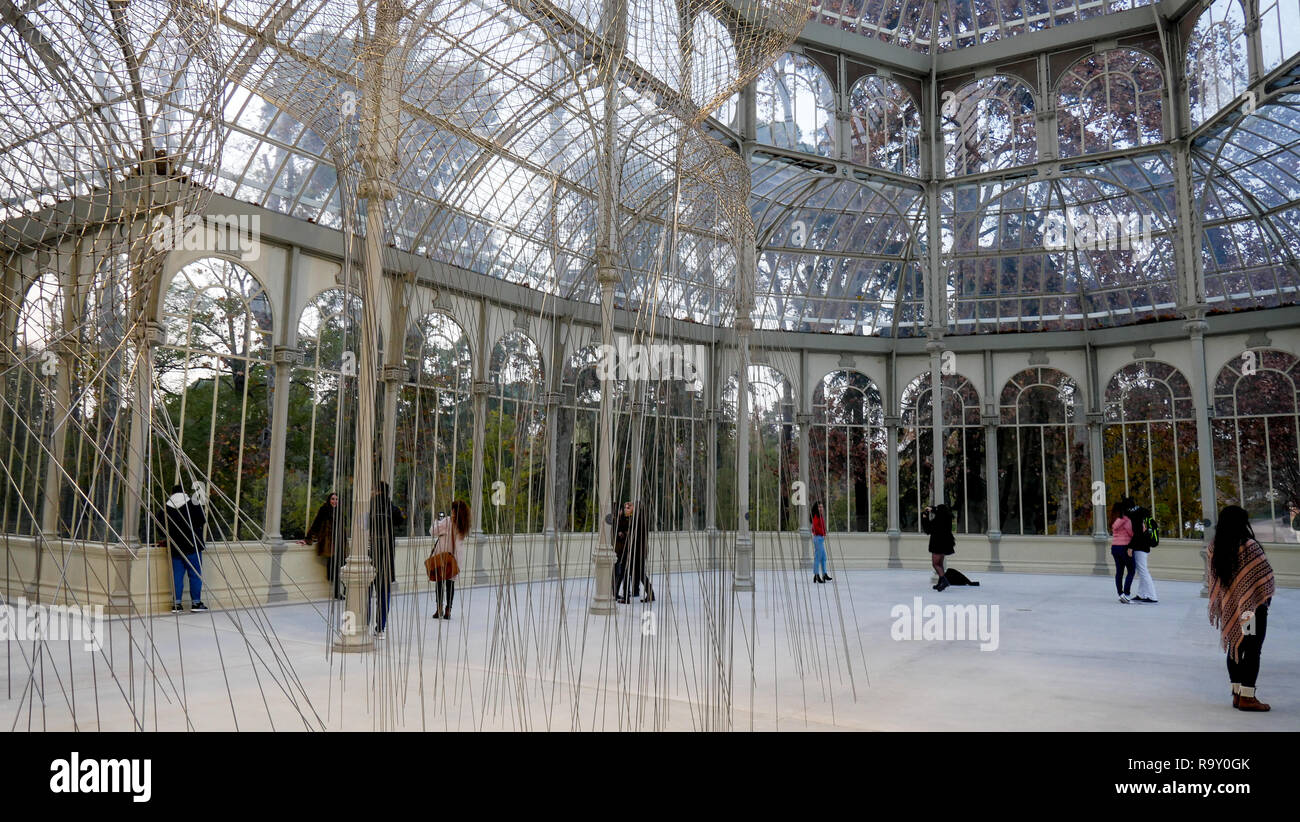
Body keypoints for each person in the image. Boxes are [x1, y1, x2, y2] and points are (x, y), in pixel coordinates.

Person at [1208, 505, 1276, 712]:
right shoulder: (1249, 546)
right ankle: (1248, 696)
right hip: (1249, 611)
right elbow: (1266, 577)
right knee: (1253, 649)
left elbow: (1215, 582)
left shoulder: (1215, 547)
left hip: (1231, 608)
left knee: (1234, 648)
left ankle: (1237, 693)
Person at [159, 483, 208, 613]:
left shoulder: (166, 507)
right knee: (195, 574)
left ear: (171, 494)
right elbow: (201, 520)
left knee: (177, 575)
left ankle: (177, 604)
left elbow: (160, 528)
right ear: (184, 492)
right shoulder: (193, 504)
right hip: (193, 545)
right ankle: (196, 603)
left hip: (175, 547)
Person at [368, 481, 406, 637]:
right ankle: (380, 627)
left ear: (377, 491)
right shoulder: (393, 509)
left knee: (366, 593)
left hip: (370, 557)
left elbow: (362, 526)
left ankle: (363, 625)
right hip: (387, 558)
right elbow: (401, 521)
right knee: (384, 595)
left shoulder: (368, 508)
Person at [429, 499, 470, 620]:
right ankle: (448, 610)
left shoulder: (447, 521)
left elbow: (432, 531)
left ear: (453, 510)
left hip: (443, 556)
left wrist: (438, 521)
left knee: (440, 583)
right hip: (455, 558)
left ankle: (439, 609)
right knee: (450, 584)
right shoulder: (464, 524)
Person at [298, 491, 343, 599]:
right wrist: (308, 539)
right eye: (333, 499)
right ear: (329, 500)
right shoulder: (324, 510)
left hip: (339, 542)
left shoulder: (339, 511)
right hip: (329, 543)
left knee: (339, 566)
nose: (335, 501)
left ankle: (340, 590)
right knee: (335, 566)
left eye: (336, 499)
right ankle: (337, 592)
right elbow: (316, 524)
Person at [921, 503, 955, 591]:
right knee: (940, 564)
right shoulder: (947, 517)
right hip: (946, 543)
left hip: (938, 544)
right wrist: (932, 509)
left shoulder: (938, 520)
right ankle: (940, 582)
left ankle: (944, 581)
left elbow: (928, 529)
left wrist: (924, 518)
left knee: (935, 564)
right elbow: (938, 510)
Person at [1130, 503, 1159, 604]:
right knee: (1142, 571)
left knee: (1143, 571)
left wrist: (1131, 547)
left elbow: (1137, 536)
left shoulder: (1141, 522)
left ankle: (1152, 596)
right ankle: (1141, 594)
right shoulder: (1148, 522)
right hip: (1144, 548)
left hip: (1140, 549)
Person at [626, 501, 654, 603]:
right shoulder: (642, 518)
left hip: (638, 551)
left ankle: (650, 593)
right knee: (637, 572)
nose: (630, 507)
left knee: (640, 573)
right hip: (640, 550)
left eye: (632, 506)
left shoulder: (638, 519)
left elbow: (636, 536)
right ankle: (637, 591)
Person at [1110, 499, 1136, 604]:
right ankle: (1126, 594)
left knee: (1119, 572)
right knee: (1131, 570)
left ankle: (1120, 594)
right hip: (1124, 547)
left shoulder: (1114, 520)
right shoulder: (1126, 519)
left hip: (1115, 547)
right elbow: (1131, 533)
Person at [613, 501, 633, 603]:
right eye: (624, 508)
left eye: (627, 507)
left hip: (624, 550)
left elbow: (629, 533)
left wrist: (624, 534)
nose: (625, 509)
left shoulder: (629, 519)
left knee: (623, 573)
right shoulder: (618, 520)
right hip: (619, 550)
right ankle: (617, 593)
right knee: (620, 573)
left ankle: (620, 594)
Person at [811, 501, 832, 583]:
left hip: (820, 538)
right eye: (819, 507)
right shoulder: (816, 516)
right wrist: (822, 532)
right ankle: (816, 575)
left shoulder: (820, 516)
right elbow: (815, 528)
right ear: (817, 508)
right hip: (818, 538)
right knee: (817, 558)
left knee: (823, 558)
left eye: (822, 507)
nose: (821, 508)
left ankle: (824, 574)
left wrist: (823, 532)